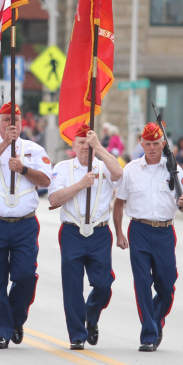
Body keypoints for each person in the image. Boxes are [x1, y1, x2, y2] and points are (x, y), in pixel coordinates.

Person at [0, 103, 52, 349]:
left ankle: (15, 319)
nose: (11, 124)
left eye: (15, 120)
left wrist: (25, 169)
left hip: (24, 225)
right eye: (6, 120)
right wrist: (5, 143)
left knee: (26, 275)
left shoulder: (34, 150)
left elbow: (46, 179)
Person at [113, 122, 183, 352]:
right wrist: (118, 232)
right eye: (147, 144)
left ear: (163, 144)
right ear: (142, 145)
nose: (152, 148)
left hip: (165, 232)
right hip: (138, 230)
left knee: (167, 285)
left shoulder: (174, 168)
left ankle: (156, 321)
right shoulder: (131, 170)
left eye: (156, 143)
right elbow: (119, 203)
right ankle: (148, 334)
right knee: (142, 284)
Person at [48, 124, 123, 350]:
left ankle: (91, 313)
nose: (84, 147)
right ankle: (77, 335)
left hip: (99, 231)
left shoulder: (104, 165)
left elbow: (119, 174)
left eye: (88, 142)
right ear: (72, 145)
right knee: (72, 286)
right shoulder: (63, 168)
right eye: (80, 142)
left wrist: (98, 147)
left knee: (103, 284)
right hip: (72, 230)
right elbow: (54, 199)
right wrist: (81, 185)